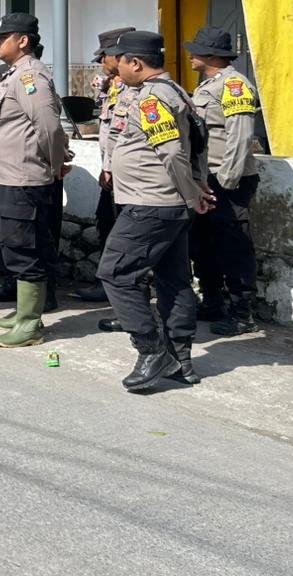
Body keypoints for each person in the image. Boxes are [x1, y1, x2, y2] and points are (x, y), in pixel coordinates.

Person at [99, 30, 209, 391]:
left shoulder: (152, 98)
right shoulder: (175, 90)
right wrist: (196, 185)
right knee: (173, 280)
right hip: (165, 202)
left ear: (135, 63)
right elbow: (198, 142)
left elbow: (173, 152)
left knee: (116, 272)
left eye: (120, 61)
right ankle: (181, 361)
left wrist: (192, 193)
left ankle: (151, 350)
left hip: (151, 203)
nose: (116, 68)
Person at [0, 13, 67, 348]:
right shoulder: (12, 74)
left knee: (24, 249)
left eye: (4, 37)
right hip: (6, 177)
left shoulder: (30, 76)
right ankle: (25, 312)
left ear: (23, 41)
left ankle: (30, 324)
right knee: (14, 246)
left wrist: (55, 164)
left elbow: (49, 126)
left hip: (21, 178)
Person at [186, 26, 261, 337]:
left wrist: (227, 180)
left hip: (228, 178)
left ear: (212, 55)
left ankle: (242, 313)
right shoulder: (209, 85)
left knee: (233, 246)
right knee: (202, 243)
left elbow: (240, 136)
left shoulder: (234, 85)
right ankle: (212, 301)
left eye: (196, 50)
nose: (190, 55)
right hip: (207, 177)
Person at [76, 26, 136, 308]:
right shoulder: (114, 86)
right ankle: (111, 286)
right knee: (106, 225)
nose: (101, 62)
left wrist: (111, 167)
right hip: (111, 174)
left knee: (123, 235)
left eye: (104, 57)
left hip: (126, 176)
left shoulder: (133, 89)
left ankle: (123, 291)